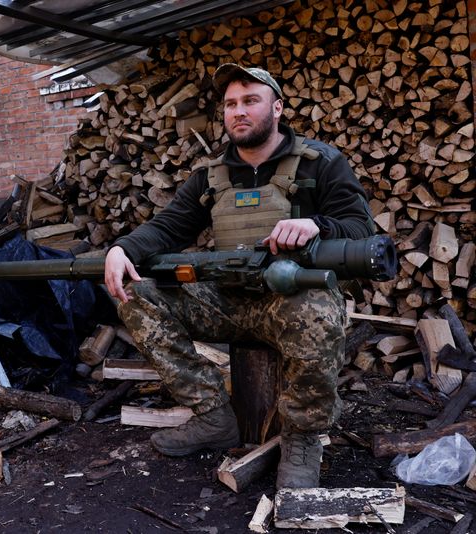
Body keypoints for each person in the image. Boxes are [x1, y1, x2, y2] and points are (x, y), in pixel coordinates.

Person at [103, 63, 375, 489]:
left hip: (291, 303)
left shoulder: (320, 163)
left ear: (278, 108)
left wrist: (318, 225)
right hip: (227, 301)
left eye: (250, 101)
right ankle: (213, 416)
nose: (239, 111)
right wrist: (122, 249)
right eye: (231, 104)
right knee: (136, 294)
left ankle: (302, 438)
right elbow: (166, 227)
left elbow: (362, 229)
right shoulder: (210, 176)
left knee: (317, 310)